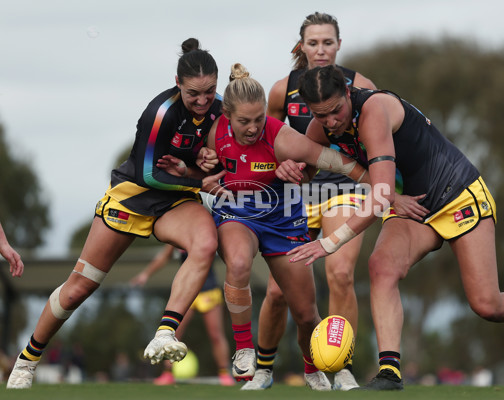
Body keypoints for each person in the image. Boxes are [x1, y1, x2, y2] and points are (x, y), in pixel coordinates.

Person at [288, 65, 504, 390]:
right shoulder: (319, 128)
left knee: (486, 304)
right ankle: (390, 372)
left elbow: (381, 194)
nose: (331, 121)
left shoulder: (373, 111)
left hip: (457, 193)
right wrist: (297, 169)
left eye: (336, 110)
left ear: (347, 93)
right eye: (320, 115)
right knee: (382, 267)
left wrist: (329, 242)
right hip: (415, 205)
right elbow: (310, 165)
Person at [6, 38, 225, 389]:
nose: (202, 101)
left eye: (210, 91)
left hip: (177, 199)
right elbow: (148, 175)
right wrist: (200, 180)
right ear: (177, 83)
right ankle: (27, 360)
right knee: (78, 289)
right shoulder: (160, 112)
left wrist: (208, 165)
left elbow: (225, 160)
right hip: (134, 196)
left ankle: (165, 333)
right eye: (193, 93)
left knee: (205, 242)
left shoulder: (221, 110)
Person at [158, 63, 368, 391]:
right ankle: (245, 351)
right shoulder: (214, 132)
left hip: (284, 217)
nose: (253, 127)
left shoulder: (281, 137)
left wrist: (381, 186)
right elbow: (192, 166)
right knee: (239, 263)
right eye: (244, 121)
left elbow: (329, 160)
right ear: (226, 115)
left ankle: (312, 367)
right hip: (237, 212)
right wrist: (189, 172)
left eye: (259, 119)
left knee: (306, 314)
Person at [244, 12, 377, 391]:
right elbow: (261, 141)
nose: (321, 50)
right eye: (313, 43)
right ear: (302, 46)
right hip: (296, 194)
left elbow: (376, 136)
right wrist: (281, 163)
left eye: (328, 42)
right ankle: (264, 370)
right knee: (276, 290)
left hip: (345, 188)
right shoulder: (280, 90)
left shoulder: (360, 85)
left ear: (338, 45)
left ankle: (342, 367)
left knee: (340, 274)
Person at [129, 244, 235, 386]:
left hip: (209, 290)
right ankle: (167, 374)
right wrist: (145, 274)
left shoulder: (209, 230)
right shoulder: (179, 235)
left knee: (216, 335)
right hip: (187, 290)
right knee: (171, 332)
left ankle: (224, 374)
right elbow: (163, 257)